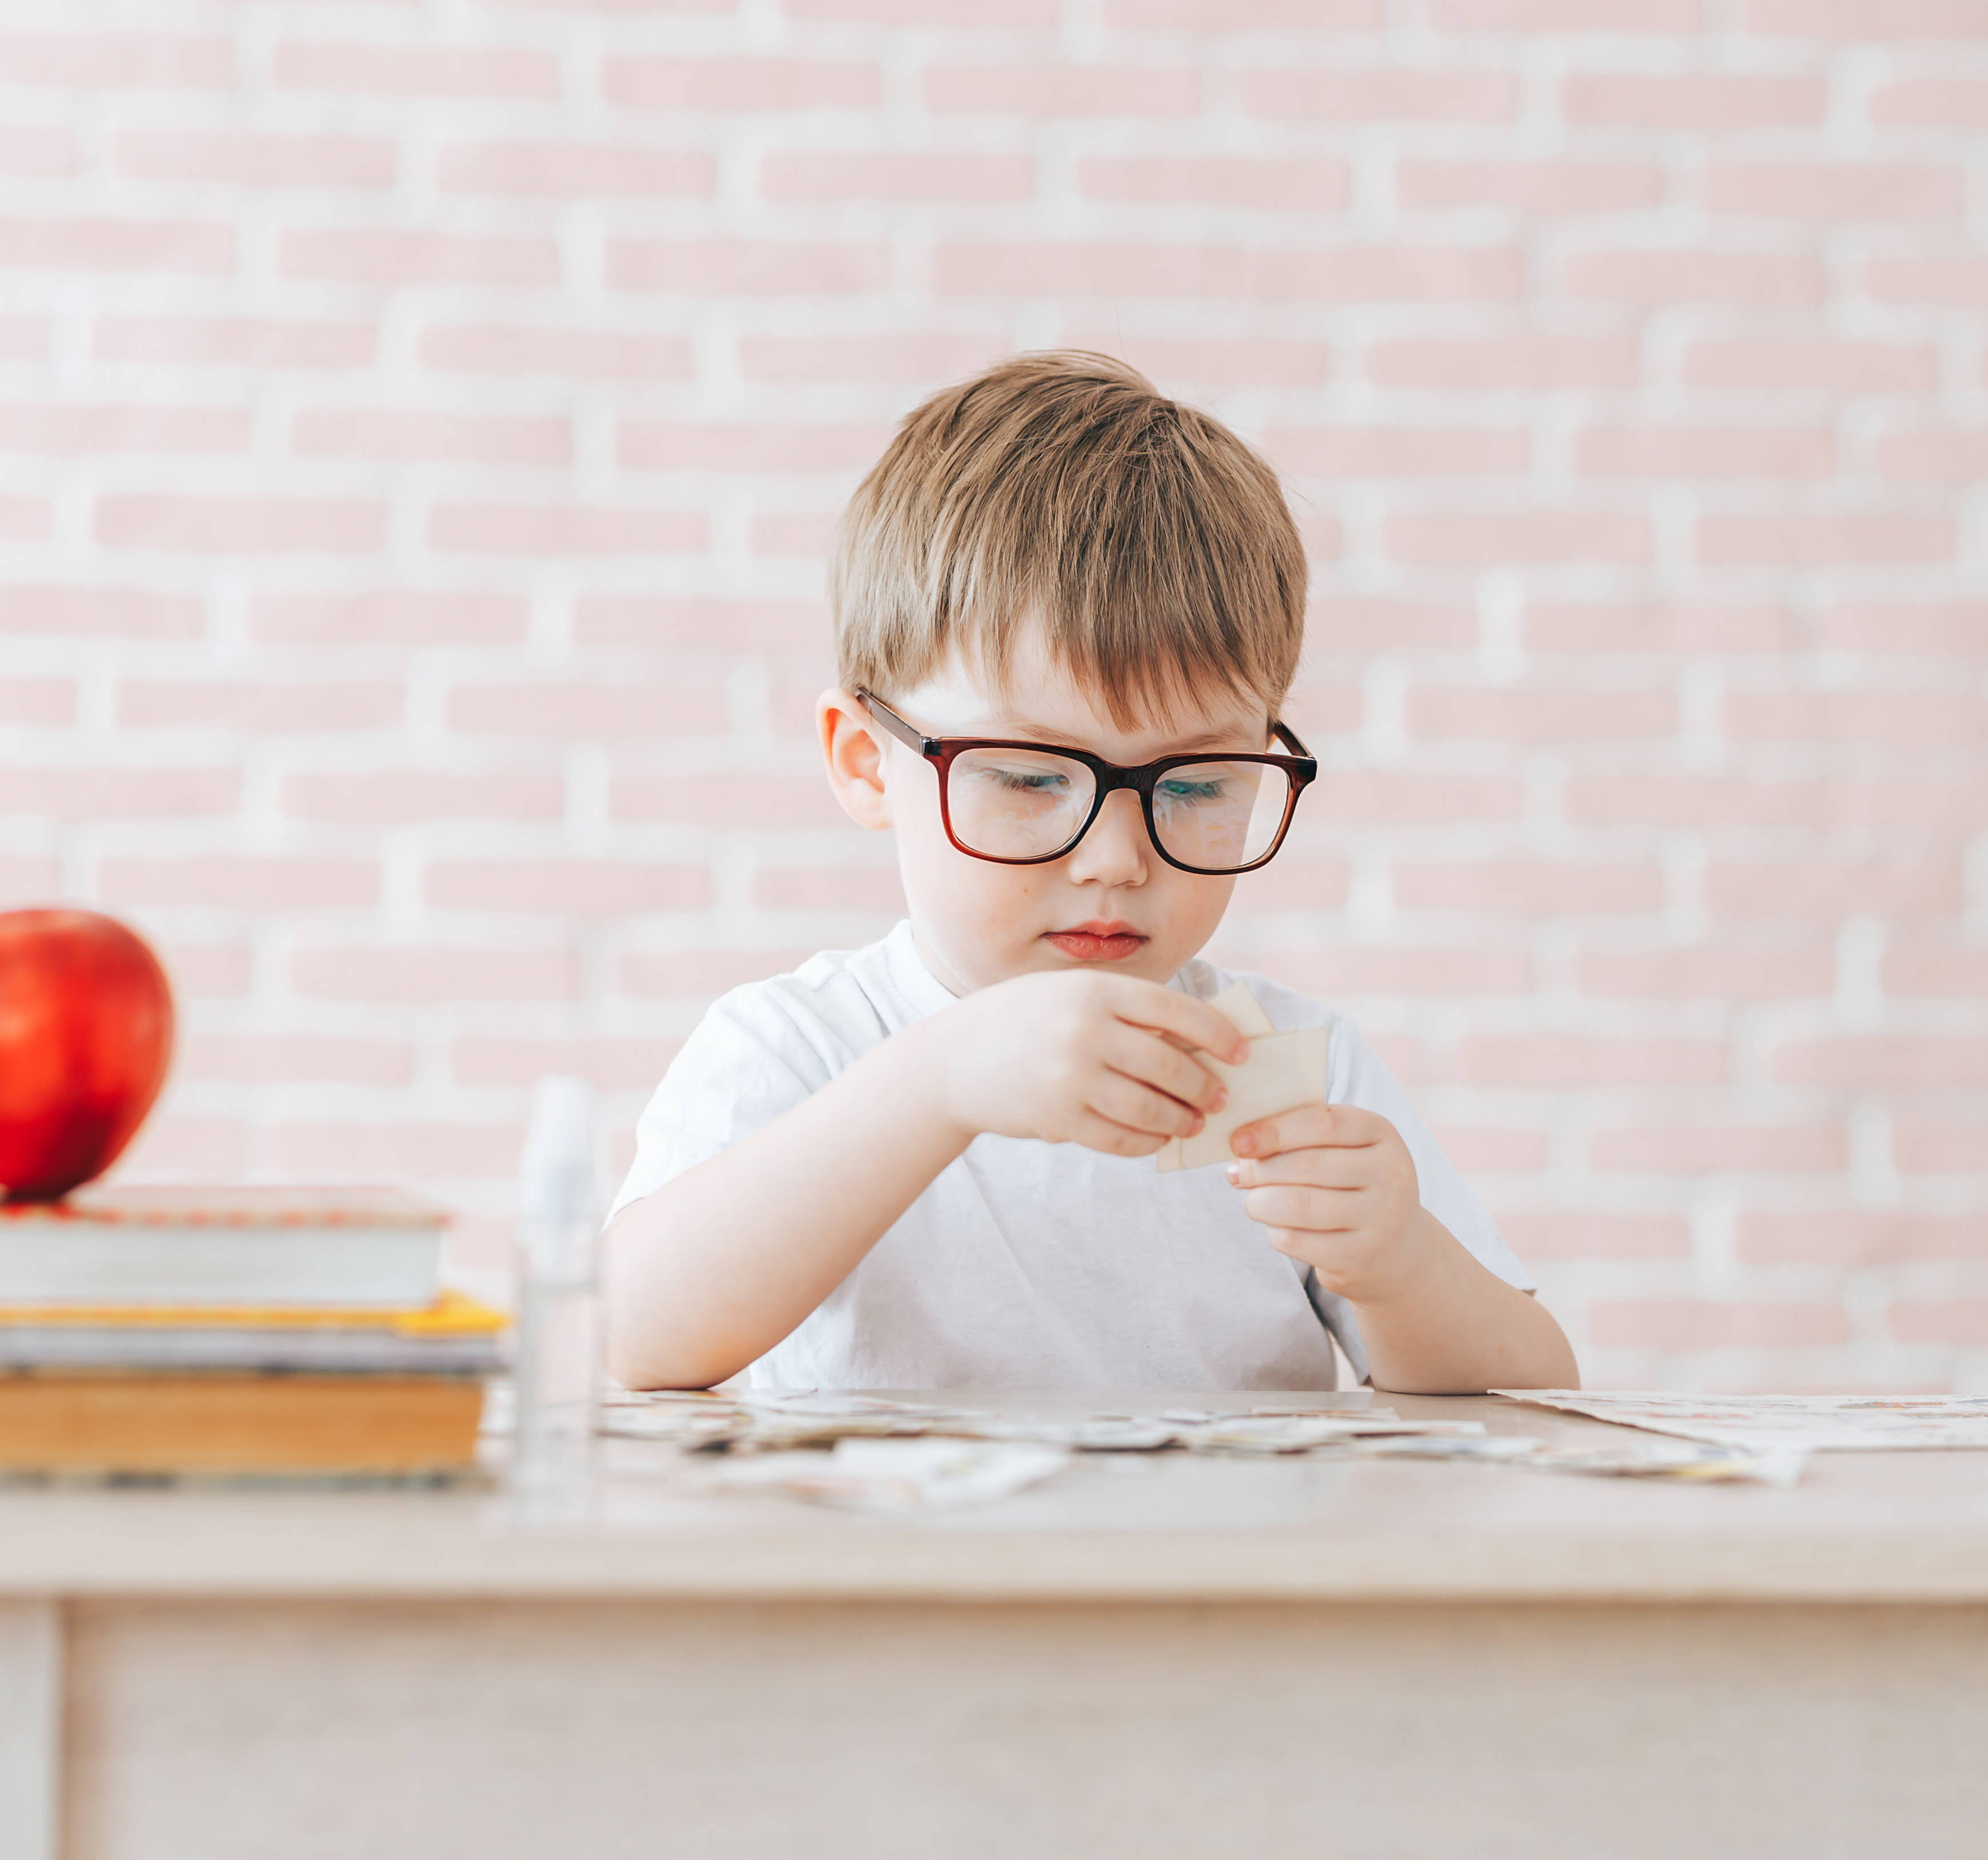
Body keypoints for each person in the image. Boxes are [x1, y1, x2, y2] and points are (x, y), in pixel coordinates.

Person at [603, 351, 1578, 1397]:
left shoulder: (1292, 1064)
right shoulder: (799, 1048)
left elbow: (1535, 1390)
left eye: (1199, 787)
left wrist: (1400, 1264)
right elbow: (626, 1340)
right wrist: (942, 1079)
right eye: (1028, 778)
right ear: (862, 761)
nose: (1117, 860)